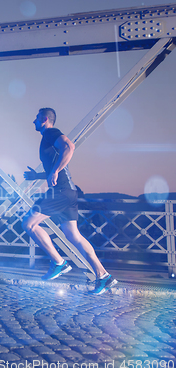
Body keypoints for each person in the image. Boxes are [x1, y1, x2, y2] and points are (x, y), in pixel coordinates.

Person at [21, 108, 117, 295]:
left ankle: (58, 263)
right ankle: (104, 275)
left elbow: (69, 147)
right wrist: (38, 175)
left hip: (61, 192)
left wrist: (55, 171)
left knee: (28, 223)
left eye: (36, 118)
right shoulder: (47, 137)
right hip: (69, 192)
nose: (33, 121)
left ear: (45, 119)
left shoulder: (50, 132)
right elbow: (55, 166)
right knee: (74, 237)